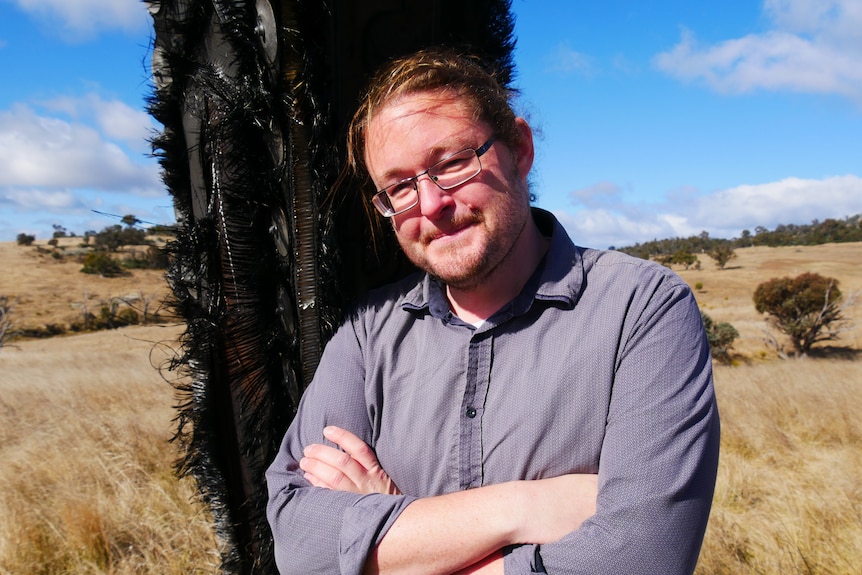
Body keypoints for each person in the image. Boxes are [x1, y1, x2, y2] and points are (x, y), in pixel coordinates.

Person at [266, 47, 720, 575]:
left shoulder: (641, 307)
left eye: (453, 163)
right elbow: (299, 546)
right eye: (399, 187)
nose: (431, 203)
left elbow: (643, 558)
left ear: (520, 148)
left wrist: (388, 535)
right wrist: (526, 508)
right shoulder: (368, 331)